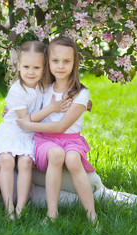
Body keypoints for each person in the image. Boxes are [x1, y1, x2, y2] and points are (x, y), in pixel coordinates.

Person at [0, 41, 71, 219]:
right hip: (12, 131)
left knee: (25, 163)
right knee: (7, 160)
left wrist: (84, 103)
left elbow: (66, 94)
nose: (30, 72)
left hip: (31, 133)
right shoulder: (17, 90)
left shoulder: (44, 86)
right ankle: (9, 208)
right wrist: (51, 109)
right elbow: (24, 120)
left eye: (36, 67)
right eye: (25, 66)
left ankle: (21, 208)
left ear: (44, 68)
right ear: (18, 66)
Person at [16, 36, 97, 223]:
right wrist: (11, 110)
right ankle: (52, 214)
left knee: (72, 159)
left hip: (72, 141)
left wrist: (29, 125)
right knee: (56, 154)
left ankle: (92, 215)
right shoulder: (44, 88)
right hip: (45, 140)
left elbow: (61, 126)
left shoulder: (81, 94)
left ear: (74, 63)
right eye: (55, 61)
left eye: (66, 61)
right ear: (48, 62)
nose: (60, 66)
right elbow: (27, 107)